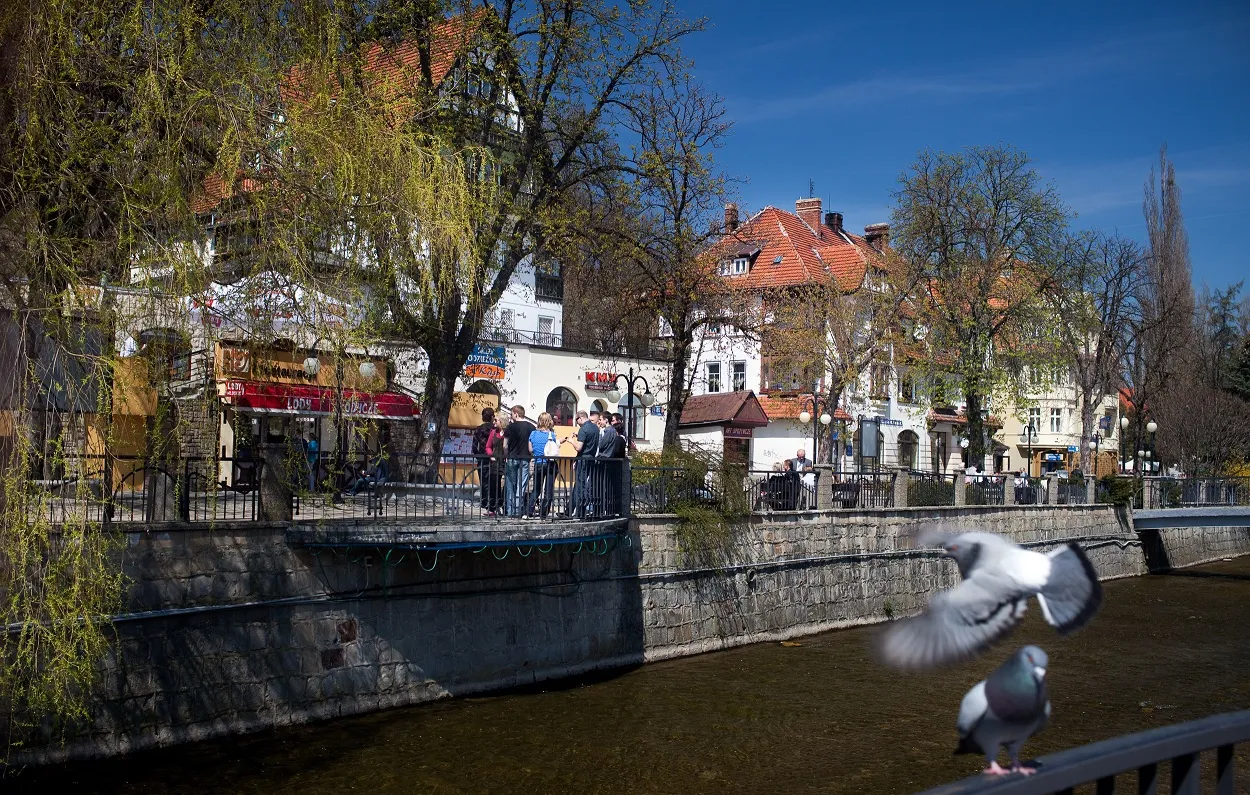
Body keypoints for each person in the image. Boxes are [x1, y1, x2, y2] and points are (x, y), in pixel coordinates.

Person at [502, 405, 535, 516]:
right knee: (521, 486)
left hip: (512, 458)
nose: (511, 416)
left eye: (511, 414)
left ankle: (510, 511)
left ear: (516, 413)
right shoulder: (531, 427)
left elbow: (505, 445)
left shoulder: (510, 427)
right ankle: (517, 511)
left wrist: (506, 455)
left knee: (510, 486)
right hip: (525, 459)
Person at [566, 410, 599, 518]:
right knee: (579, 485)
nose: (576, 422)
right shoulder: (595, 428)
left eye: (576, 420)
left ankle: (580, 512)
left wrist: (571, 440)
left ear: (580, 418)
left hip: (583, 460)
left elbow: (579, 447)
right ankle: (569, 510)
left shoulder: (583, 429)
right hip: (591, 459)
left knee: (580, 486)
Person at [526, 412, 559, 519]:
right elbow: (553, 449)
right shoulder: (551, 435)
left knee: (536, 489)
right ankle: (543, 513)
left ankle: (529, 511)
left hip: (538, 463)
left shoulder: (533, 434)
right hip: (550, 464)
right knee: (548, 490)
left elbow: (530, 450)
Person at [591, 412, 621, 517]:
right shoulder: (612, 431)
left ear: (606, 420)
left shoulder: (609, 431)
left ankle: (599, 511)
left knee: (599, 486)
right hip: (607, 460)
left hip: (603, 460)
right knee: (604, 486)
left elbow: (601, 445)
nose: (599, 422)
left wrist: (599, 433)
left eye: (601, 419)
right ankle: (605, 510)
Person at [483, 414, 508, 516]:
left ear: (502, 421)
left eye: (496, 420)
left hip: (505, 461)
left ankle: (503, 506)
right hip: (495, 461)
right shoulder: (493, 432)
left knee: (506, 485)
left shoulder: (508, 432)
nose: (494, 422)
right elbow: (488, 446)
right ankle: (492, 508)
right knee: (494, 485)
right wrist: (491, 455)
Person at [472, 407, 495, 509]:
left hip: (482, 457)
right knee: (493, 481)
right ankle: (493, 501)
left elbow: (474, 446)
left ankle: (484, 501)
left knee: (483, 481)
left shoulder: (478, 429)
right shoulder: (495, 430)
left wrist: (478, 455)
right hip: (493, 457)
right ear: (492, 417)